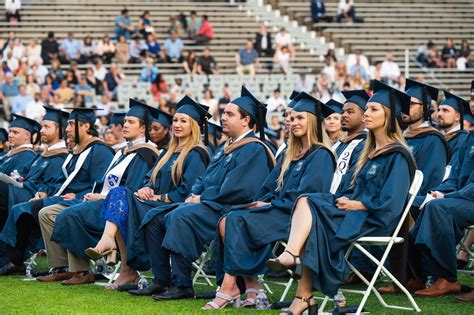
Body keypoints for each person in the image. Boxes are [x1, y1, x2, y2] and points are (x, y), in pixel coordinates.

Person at [266, 80, 415, 313]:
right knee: (307, 200)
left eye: (373, 109)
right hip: (351, 213)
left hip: (374, 220)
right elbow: (348, 189)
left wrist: (358, 204)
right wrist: (343, 200)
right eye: (367, 109)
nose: (367, 113)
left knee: (313, 221)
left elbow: (392, 205)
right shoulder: (368, 153)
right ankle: (298, 283)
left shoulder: (398, 155)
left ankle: (298, 279)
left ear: (389, 116)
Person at [140, 87, 275, 300]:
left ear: (246, 120)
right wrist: (194, 195)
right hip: (210, 205)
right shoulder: (224, 148)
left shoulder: (254, 148)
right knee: (155, 218)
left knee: (179, 217)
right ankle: (161, 280)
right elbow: (202, 179)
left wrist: (202, 198)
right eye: (224, 114)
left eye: (230, 115)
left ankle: (182, 283)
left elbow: (241, 189)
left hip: (231, 208)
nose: (223, 118)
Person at [204, 92, 336, 309]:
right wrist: (261, 202)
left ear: (313, 121)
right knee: (228, 219)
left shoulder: (320, 155)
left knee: (235, 220)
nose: (294, 123)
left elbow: (310, 197)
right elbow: (268, 186)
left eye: (300, 118)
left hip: (296, 219)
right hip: (277, 211)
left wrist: (271, 204)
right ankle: (251, 284)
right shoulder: (289, 155)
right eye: (292, 118)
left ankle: (230, 287)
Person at [83, 96, 210, 290]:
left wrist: (160, 196)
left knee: (124, 205)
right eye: (175, 120)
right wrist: (147, 188)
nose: (177, 124)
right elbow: (150, 180)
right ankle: (109, 242)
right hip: (154, 204)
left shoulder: (197, 154)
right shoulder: (168, 152)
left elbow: (188, 190)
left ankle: (122, 263)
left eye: (183, 121)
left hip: (173, 207)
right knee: (119, 193)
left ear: (194, 126)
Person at [37, 100, 161, 285]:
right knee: (48, 213)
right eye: (125, 121)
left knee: (68, 214)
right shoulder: (123, 152)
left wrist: (101, 197)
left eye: (131, 122)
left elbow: (130, 192)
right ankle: (64, 268)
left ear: (143, 128)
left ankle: (82, 271)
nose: (125, 125)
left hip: (117, 209)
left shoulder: (145, 154)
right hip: (99, 201)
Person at [0, 108, 114, 279]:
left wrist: (77, 194)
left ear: (86, 126)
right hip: (65, 198)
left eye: (71, 124)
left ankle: (14, 258)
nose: (66, 129)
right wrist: (45, 192)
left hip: (86, 202)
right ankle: (59, 267)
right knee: (34, 209)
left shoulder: (100, 151)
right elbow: (63, 181)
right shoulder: (77, 151)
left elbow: (99, 185)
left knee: (29, 210)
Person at [409, 113, 473, 298]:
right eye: (472, 99)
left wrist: (446, 196)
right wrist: (437, 192)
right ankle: (417, 273)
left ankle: (447, 278)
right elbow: (453, 176)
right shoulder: (469, 139)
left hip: (468, 199)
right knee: (411, 204)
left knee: (437, 208)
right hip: (459, 199)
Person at [0, 106, 67, 239]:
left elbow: (52, 185)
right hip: (21, 190)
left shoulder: (62, 157)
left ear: (60, 130)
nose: (41, 131)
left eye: (47, 127)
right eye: (42, 127)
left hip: (32, 195)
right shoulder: (43, 155)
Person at [437, 91, 470, 170]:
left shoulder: (463, 140)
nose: (439, 114)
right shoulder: (438, 138)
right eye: (439, 110)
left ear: (457, 117)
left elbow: (452, 170)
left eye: (445, 110)